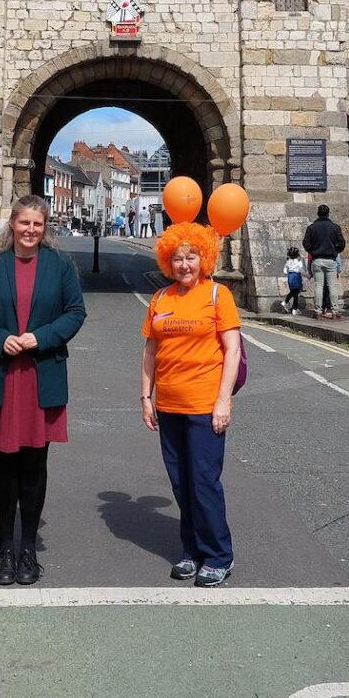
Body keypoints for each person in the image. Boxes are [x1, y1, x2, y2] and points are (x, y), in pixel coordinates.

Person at [0, 195, 86, 587]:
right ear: (12, 225)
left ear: (44, 228)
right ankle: (4, 549)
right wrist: (1, 339)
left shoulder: (61, 265)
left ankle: (28, 548)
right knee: (3, 466)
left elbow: (75, 312)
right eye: (24, 223)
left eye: (37, 224)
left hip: (40, 374)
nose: (30, 230)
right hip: (1, 374)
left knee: (34, 465)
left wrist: (40, 337)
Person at [140, 222, 241, 587]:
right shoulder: (160, 298)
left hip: (204, 405)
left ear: (204, 258)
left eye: (192, 256)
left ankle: (218, 554)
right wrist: (145, 398)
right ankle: (192, 550)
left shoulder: (218, 295)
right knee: (181, 483)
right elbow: (151, 351)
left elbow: (232, 350)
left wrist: (223, 401)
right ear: (169, 261)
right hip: (169, 405)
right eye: (178, 258)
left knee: (203, 482)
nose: (185, 264)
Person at [302, 204, 346, 320]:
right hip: (331, 260)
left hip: (317, 259)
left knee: (318, 286)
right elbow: (342, 243)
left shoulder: (312, 228)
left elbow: (306, 244)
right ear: (328, 213)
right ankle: (335, 311)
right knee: (332, 286)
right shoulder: (335, 227)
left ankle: (317, 311)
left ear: (318, 213)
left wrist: (313, 251)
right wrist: (335, 251)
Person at [282, 246, 305, 315]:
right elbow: (301, 270)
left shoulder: (288, 261)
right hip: (297, 276)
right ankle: (293, 308)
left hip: (290, 276)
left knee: (293, 291)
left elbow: (285, 271)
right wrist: (307, 275)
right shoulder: (298, 261)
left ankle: (289, 304)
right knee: (296, 293)